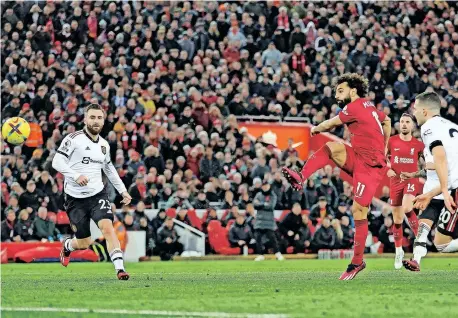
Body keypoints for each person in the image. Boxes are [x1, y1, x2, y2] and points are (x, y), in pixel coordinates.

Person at [282, 73, 391, 280]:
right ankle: (301, 176)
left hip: (370, 167)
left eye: (340, 91)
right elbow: (387, 122)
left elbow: (330, 124)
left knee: (358, 209)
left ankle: (357, 261)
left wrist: (315, 128)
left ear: (353, 90)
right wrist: (385, 146)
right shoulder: (370, 107)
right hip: (359, 157)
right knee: (332, 147)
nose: (337, 95)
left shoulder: (355, 106)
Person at [52, 103, 132, 280]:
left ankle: (120, 269)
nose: (96, 121)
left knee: (107, 227)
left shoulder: (104, 145)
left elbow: (109, 169)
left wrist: (123, 191)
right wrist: (75, 175)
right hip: (75, 198)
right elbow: (56, 162)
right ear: (86, 119)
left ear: (103, 121)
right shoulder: (73, 139)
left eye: (99, 118)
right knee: (84, 242)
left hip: (97, 195)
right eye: (92, 117)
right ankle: (67, 246)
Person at [402, 92, 458, 271]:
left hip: (449, 190)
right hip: (441, 189)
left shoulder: (429, 128)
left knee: (441, 244)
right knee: (426, 231)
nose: (414, 113)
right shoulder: (450, 127)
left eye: (416, 109)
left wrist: (443, 190)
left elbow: (439, 159)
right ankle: (416, 260)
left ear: (425, 111)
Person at [386, 113, 423, 269]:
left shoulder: (419, 145)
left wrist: (418, 173)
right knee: (397, 220)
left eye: (407, 122)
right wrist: (387, 169)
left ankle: (420, 241)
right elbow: (382, 158)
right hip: (395, 182)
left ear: (413, 125)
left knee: (408, 207)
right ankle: (399, 250)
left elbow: (426, 164)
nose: (404, 124)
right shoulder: (392, 141)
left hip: (411, 181)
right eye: (402, 122)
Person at [253, 182, 284, 261]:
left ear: (269, 186)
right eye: (263, 186)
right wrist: (264, 204)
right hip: (259, 221)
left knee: (272, 238)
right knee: (258, 238)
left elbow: (271, 206)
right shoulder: (258, 195)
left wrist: (260, 204)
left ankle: (277, 253)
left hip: (269, 221)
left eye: (266, 186)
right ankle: (260, 255)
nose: (265, 187)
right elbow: (255, 205)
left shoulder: (273, 195)